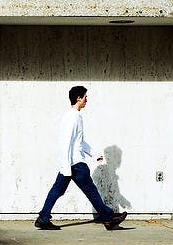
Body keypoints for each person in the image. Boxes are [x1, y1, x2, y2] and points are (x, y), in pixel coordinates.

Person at [34, 85, 127, 231]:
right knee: (91, 191)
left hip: (70, 163)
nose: (86, 100)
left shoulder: (71, 116)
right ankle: (108, 217)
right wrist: (65, 165)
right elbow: (66, 141)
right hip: (75, 164)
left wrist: (94, 154)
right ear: (78, 98)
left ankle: (43, 218)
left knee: (57, 191)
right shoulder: (73, 117)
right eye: (85, 97)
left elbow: (78, 141)